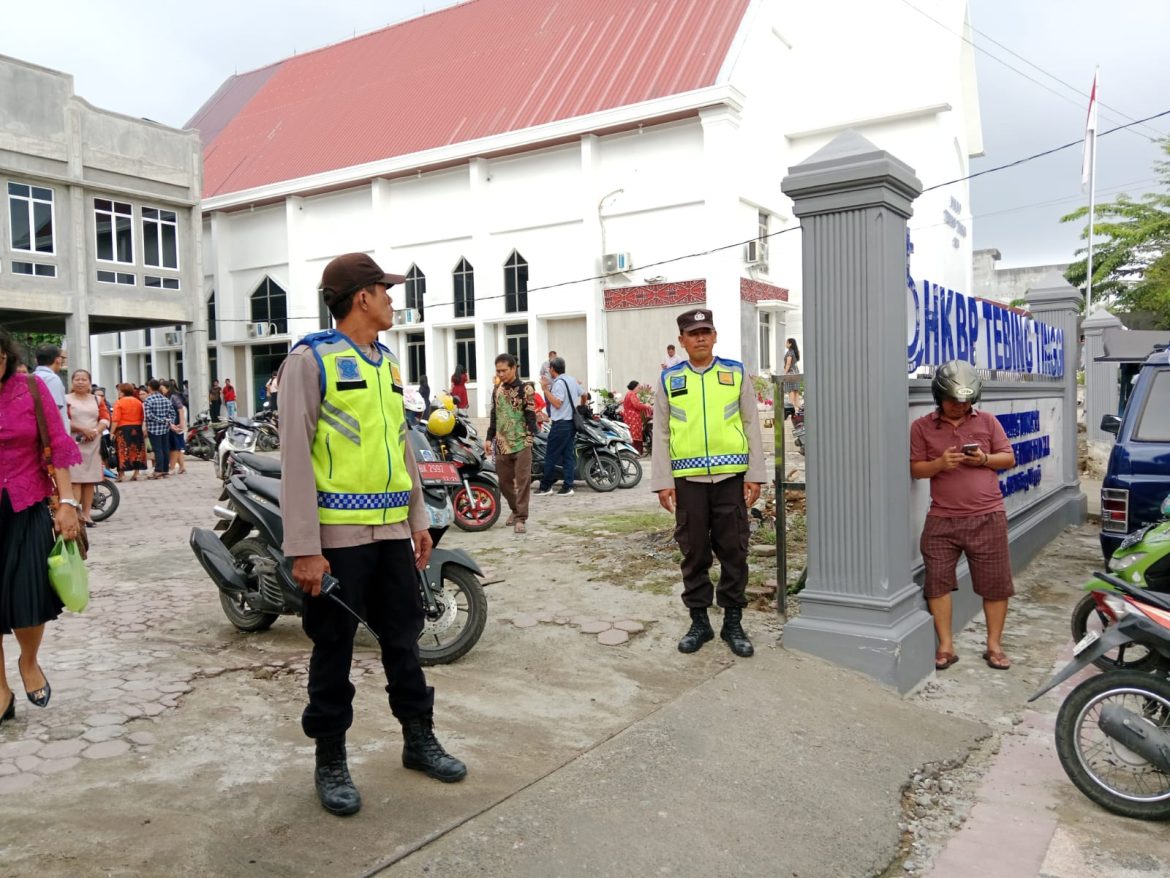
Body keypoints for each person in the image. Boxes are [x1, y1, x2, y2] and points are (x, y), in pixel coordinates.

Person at [280, 252, 465, 817]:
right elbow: (294, 458)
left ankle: (418, 739)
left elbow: (402, 445)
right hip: (336, 540)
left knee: (403, 639)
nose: (392, 299)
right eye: (386, 291)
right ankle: (330, 760)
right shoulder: (310, 362)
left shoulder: (386, 363)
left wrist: (417, 521)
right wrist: (305, 548)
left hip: (391, 535)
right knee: (333, 649)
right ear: (362, 296)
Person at [651, 308, 766, 658]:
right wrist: (662, 481)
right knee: (694, 552)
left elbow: (750, 423)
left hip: (731, 479)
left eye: (706, 331)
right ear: (682, 341)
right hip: (688, 482)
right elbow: (660, 432)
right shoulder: (670, 379)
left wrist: (756, 474)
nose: (701, 337)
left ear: (715, 336)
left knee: (734, 551)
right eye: (693, 333)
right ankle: (699, 621)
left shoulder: (735, 372)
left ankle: (733, 622)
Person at [0, 328, 83, 726]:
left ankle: (28, 660)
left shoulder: (31, 389)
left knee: (28, 595)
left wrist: (67, 502)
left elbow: (58, 446)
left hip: (27, 502)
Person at [910, 360, 1016, 672]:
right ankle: (945, 645)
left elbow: (1008, 458)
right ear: (939, 398)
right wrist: (940, 464)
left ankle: (994, 646)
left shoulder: (987, 422)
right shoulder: (921, 427)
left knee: (996, 585)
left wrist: (983, 459)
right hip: (942, 518)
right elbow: (916, 469)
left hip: (988, 515)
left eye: (966, 401)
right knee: (937, 582)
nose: (960, 406)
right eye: (954, 401)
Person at [485, 353, 537, 534]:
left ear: (513, 368)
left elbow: (531, 414)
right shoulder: (496, 389)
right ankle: (515, 510)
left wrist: (531, 435)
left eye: (504, 370)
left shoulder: (526, 389)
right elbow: (494, 415)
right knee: (504, 483)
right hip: (501, 443)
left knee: (523, 482)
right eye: (498, 371)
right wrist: (488, 438)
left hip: (522, 442)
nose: (500, 374)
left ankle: (521, 518)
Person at [65, 369, 110, 527]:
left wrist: (95, 431)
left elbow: (105, 418)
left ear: (89, 382)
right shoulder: (66, 400)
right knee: (76, 480)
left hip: (93, 443)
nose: (80, 382)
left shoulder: (97, 400)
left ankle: (86, 514)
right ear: (72, 382)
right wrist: (82, 429)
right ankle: (77, 515)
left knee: (90, 480)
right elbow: (62, 420)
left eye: (84, 379)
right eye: (77, 379)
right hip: (73, 443)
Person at [537, 357, 583, 496]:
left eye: (549, 369)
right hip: (570, 423)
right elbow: (584, 393)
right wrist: (581, 406)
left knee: (551, 456)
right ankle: (568, 486)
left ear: (552, 369)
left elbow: (557, 403)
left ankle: (546, 486)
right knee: (568, 456)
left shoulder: (558, 383)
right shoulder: (572, 380)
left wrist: (545, 390)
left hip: (560, 424)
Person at [111, 383, 147, 481]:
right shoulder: (138, 402)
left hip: (123, 429)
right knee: (138, 450)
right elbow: (142, 417)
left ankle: (121, 474)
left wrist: (111, 432)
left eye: (119, 391)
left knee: (122, 450)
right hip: (137, 428)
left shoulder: (119, 402)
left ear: (122, 392)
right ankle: (136, 472)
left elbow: (115, 419)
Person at [143, 379, 176, 480]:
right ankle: (165, 470)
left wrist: (160, 420)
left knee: (157, 450)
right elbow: (172, 414)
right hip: (165, 429)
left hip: (154, 429)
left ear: (149, 387)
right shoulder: (165, 399)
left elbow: (149, 415)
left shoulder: (149, 400)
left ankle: (158, 471)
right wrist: (167, 421)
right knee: (165, 449)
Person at [33, 343, 69, 432]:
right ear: (57, 360)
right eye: (62, 358)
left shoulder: (31, 377)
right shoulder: (52, 378)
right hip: (53, 434)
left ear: (36, 361)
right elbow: (53, 410)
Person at [621, 380, 653, 455]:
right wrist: (646, 406)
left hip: (629, 416)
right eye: (638, 387)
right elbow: (637, 405)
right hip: (633, 417)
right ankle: (635, 452)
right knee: (635, 434)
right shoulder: (632, 394)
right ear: (634, 387)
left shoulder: (628, 394)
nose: (639, 389)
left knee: (632, 434)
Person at [166, 380, 188, 475]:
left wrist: (182, 423)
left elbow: (181, 409)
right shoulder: (169, 397)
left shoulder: (174, 397)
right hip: (173, 424)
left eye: (162, 388)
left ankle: (173, 467)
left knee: (176, 447)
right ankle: (182, 467)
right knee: (178, 447)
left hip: (176, 424)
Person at [782, 338, 801, 412]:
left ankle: (792, 408)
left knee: (791, 390)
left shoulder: (789, 353)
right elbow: (796, 361)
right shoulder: (796, 352)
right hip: (796, 371)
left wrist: (784, 373)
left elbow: (788, 364)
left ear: (790, 344)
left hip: (790, 372)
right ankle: (798, 408)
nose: (785, 344)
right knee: (796, 390)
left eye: (786, 343)